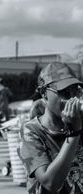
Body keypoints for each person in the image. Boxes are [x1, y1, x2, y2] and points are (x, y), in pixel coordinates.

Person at [18, 62, 83, 194]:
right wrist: (74, 134)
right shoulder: (31, 132)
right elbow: (50, 182)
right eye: (64, 92)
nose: (72, 98)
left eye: (75, 90)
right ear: (44, 94)